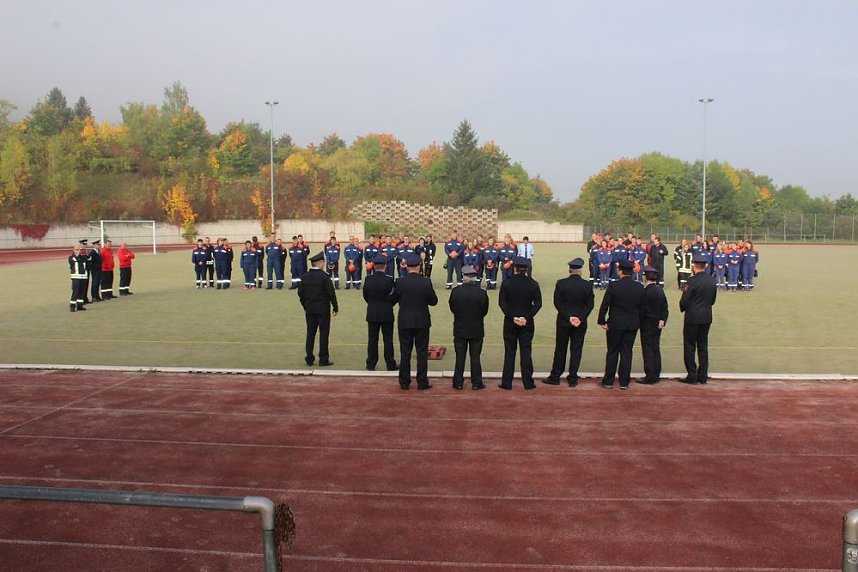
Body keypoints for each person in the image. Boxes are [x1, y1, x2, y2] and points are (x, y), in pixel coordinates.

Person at [390, 253, 438, 390]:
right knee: (422, 352)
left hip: (404, 321)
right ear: (419, 266)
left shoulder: (399, 282)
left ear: (406, 267)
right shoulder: (425, 282)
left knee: (405, 352)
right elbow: (433, 301)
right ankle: (422, 382)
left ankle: (404, 382)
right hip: (422, 321)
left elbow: (391, 301)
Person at [543, 257, 594, 387]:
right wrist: (579, 318)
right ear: (580, 270)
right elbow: (590, 305)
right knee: (576, 350)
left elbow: (557, 303)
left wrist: (569, 317)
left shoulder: (561, 283)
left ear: (569, 270)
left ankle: (555, 376)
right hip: (580, 323)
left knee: (560, 348)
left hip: (563, 321)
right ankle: (572, 378)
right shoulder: (587, 285)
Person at [596, 259, 645, 390]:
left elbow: (605, 304)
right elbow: (643, 307)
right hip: (632, 324)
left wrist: (602, 320)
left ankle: (608, 381)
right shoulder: (639, 286)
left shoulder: (614, 286)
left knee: (612, 352)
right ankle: (624, 382)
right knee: (627, 352)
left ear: (620, 271)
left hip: (615, 324)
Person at [498, 256, 542, 390]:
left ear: (515, 268)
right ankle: (528, 383)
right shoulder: (533, 284)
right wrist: (526, 317)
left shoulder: (507, 283)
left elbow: (502, 303)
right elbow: (538, 304)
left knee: (510, 352)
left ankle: (507, 382)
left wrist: (513, 317)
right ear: (526, 269)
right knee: (526, 352)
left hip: (510, 322)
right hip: (527, 323)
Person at [448, 265, 489, 390]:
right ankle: (476, 383)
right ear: (474, 278)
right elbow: (484, 310)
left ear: (463, 277)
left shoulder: (455, 291)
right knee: (475, 357)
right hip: (476, 329)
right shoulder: (481, 292)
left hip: (460, 328)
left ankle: (458, 382)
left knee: (460, 357)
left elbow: (453, 308)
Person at [679, 253, 718, 384]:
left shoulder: (691, 281)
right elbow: (712, 300)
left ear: (694, 266)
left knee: (690, 346)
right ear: (705, 266)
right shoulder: (712, 280)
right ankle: (703, 375)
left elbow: (684, 300)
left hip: (692, 317)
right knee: (703, 346)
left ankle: (692, 375)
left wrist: (683, 308)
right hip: (706, 316)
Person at [298, 251, 339, 367]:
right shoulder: (324, 277)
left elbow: (300, 294)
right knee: (324, 334)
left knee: (310, 333)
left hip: (310, 310)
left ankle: (309, 358)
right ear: (320, 263)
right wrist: (335, 307)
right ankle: (323, 359)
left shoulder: (304, 277)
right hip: (323, 310)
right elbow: (331, 293)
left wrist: (305, 306)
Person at [362, 255, 397, 371]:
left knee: (372, 340)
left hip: (372, 312)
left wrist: (372, 303)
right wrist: (387, 305)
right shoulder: (389, 280)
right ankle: (390, 364)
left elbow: (365, 296)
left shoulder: (368, 279)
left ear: (374, 266)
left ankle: (371, 364)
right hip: (386, 313)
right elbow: (393, 297)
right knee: (388, 340)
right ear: (385, 266)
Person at [637, 265, 669, 385]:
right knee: (656, 348)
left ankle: (650, 375)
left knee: (648, 350)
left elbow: (643, 310)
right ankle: (656, 373)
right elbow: (665, 308)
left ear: (646, 278)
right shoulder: (660, 290)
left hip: (647, 325)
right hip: (658, 325)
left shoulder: (645, 292)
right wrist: (662, 320)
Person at [68, 241, 89, 312]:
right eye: (76, 249)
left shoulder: (83, 257)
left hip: (83, 277)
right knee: (75, 292)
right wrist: (81, 258)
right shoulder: (71, 257)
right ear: (73, 250)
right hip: (76, 277)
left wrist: (85, 256)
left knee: (82, 292)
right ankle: (72, 306)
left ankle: (80, 305)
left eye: (79, 249)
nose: (78, 251)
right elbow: (75, 260)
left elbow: (89, 259)